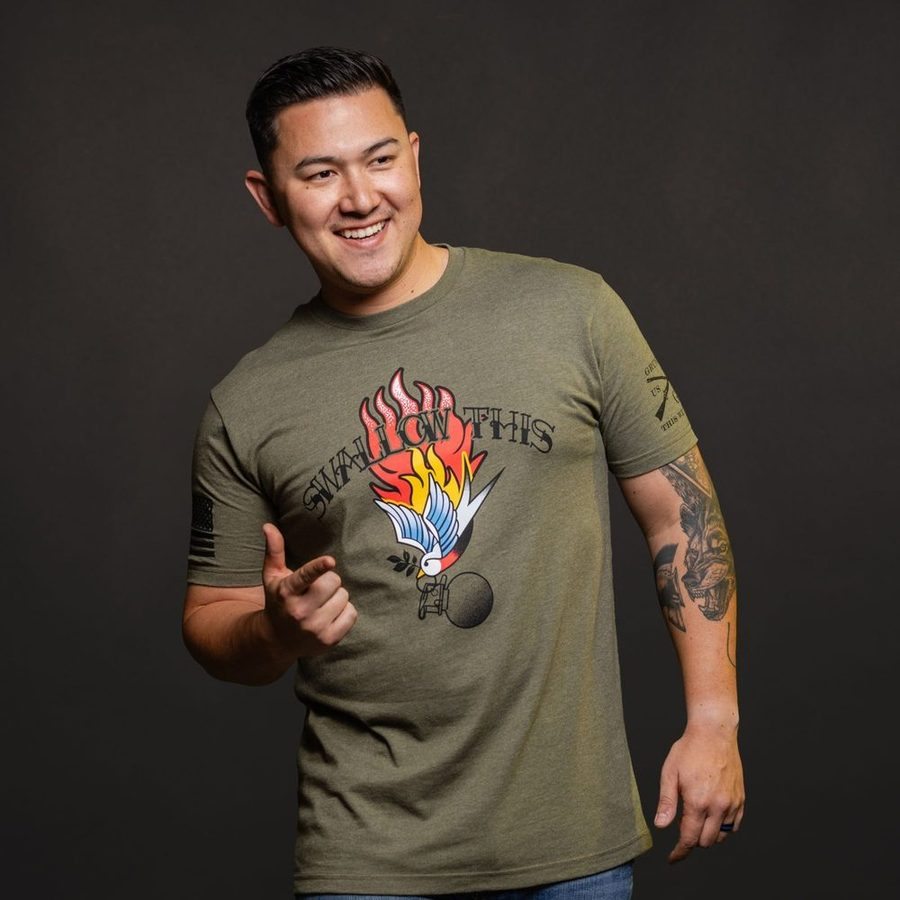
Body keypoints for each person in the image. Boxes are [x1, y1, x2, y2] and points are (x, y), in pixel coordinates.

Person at [182, 46, 744, 900]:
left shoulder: (572, 311)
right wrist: (277, 632)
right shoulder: (247, 403)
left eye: (379, 159)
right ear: (269, 198)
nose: (360, 197)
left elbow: (683, 516)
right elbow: (211, 618)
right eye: (321, 173)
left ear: (414, 157)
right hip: (366, 860)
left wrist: (714, 720)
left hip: (573, 852)